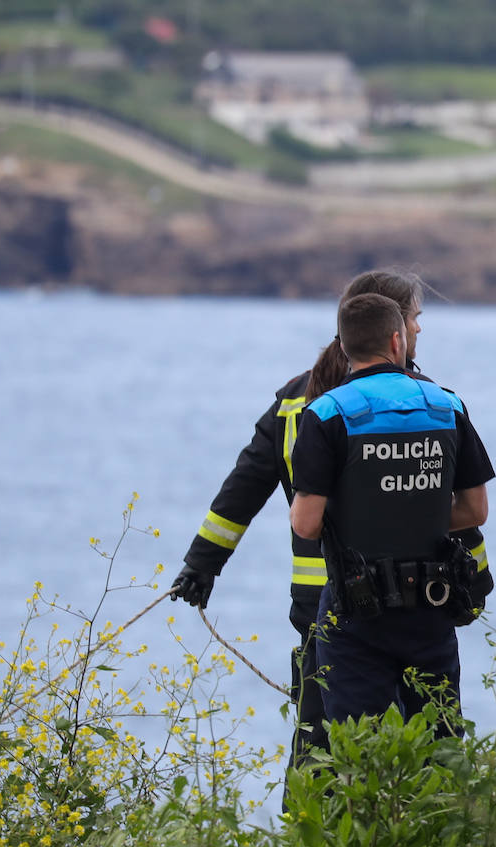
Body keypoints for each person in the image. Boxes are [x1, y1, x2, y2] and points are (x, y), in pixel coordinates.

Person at [169, 268, 430, 765]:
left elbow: (243, 487)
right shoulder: (418, 402)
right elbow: (441, 504)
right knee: (409, 745)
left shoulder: (294, 399)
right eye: (416, 318)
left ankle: (309, 839)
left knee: (317, 742)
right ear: (394, 330)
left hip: (315, 603)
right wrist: (474, 580)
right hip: (399, 600)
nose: (420, 329)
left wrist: (202, 564)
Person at [289, 293, 495, 730]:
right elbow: (475, 510)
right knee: (438, 746)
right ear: (397, 340)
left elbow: (306, 524)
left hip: (356, 609)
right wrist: (414, 512)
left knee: (361, 751)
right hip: (431, 608)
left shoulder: (326, 414)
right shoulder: (446, 406)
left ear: (344, 347)